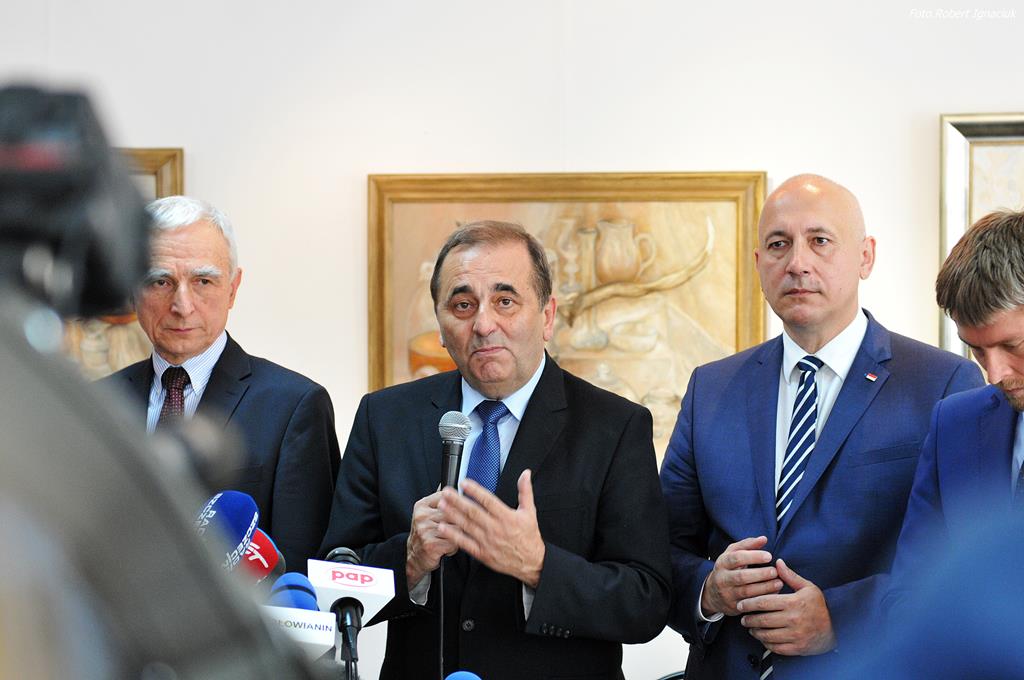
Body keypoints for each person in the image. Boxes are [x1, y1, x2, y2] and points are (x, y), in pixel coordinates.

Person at [659, 174, 983, 679]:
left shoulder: (943, 383)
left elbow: (967, 562)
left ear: (865, 257)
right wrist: (708, 590)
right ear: (758, 263)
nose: (797, 263)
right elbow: (659, 551)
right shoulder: (712, 388)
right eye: (778, 244)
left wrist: (839, 620)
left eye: (820, 241)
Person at [319, 220, 670, 680]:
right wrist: (409, 560)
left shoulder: (615, 426)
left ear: (547, 316)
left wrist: (539, 566)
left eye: (505, 301)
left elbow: (646, 601)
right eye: (463, 305)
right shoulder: (384, 418)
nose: (484, 325)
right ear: (441, 325)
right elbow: (333, 577)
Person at [104, 196, 341, 571]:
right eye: (160, 281)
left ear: (233, 288)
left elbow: (302, 568)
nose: (182, 305)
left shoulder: (294, 406)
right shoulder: (100, 400)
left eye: (203, 281)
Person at [884, 209, 1024, 623]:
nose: (994, 375)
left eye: (1013, 346)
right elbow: (909, 592)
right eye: (977, 350)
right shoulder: (954, 424)